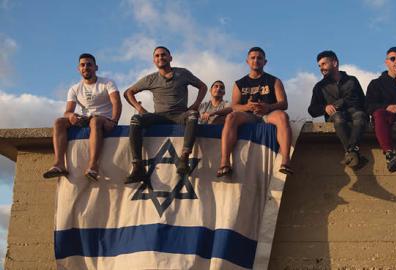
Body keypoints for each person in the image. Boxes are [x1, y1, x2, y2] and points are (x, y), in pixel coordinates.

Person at [124, 46, 207, 184]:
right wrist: (140, 108)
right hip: (159, 116)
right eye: (157, 56)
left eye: (163, 55)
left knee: (193, 115)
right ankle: (137, 166)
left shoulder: (183, 73)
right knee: (136, 120)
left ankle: (184, 158)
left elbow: (202, 86)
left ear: (170, 58)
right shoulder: (150, 79)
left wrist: (196, 104)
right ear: (153, 60)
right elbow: (129, 92)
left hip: (180, 114)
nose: (160, 57)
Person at [43, 53, 122, 181]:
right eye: (82, 65)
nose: (86, 67)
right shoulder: (74, 88)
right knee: (59, 122)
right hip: (85, 118)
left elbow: (116, 102)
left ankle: (93, 166)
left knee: (95, 121)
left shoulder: (107, 83)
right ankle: (59, 164)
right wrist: (72, 116)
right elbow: (68, 111)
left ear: (96, 67)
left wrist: (114, 121)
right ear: (78, 68)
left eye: (89, 65)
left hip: (102, 118)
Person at [217, 47, 293, 177]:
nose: (256, 60)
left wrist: (268, 107)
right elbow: (234, 105)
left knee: (282, 116)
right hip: (249, 115)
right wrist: (247, 107)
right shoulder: (239, 83)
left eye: (259, 58)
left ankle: (286, 161)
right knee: (231, 117)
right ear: (247, 61)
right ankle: (224, 161)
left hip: (268, 114)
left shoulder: (274, 81)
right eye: (253, 58)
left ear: (265, 62)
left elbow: (284, 103)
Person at [308, 50, 368, 169]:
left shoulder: (352, 80)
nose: (321, 68)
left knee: (360, 116)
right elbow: (312, 110)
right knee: (338, 117)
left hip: (355, 113)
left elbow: (363, 101)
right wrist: (324, 107)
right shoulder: (319, 87)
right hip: (336, 117)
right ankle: (353, 152)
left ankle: (350, 153)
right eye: (319, 66)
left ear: (334, 63)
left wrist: (341, 103)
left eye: (324, 64)